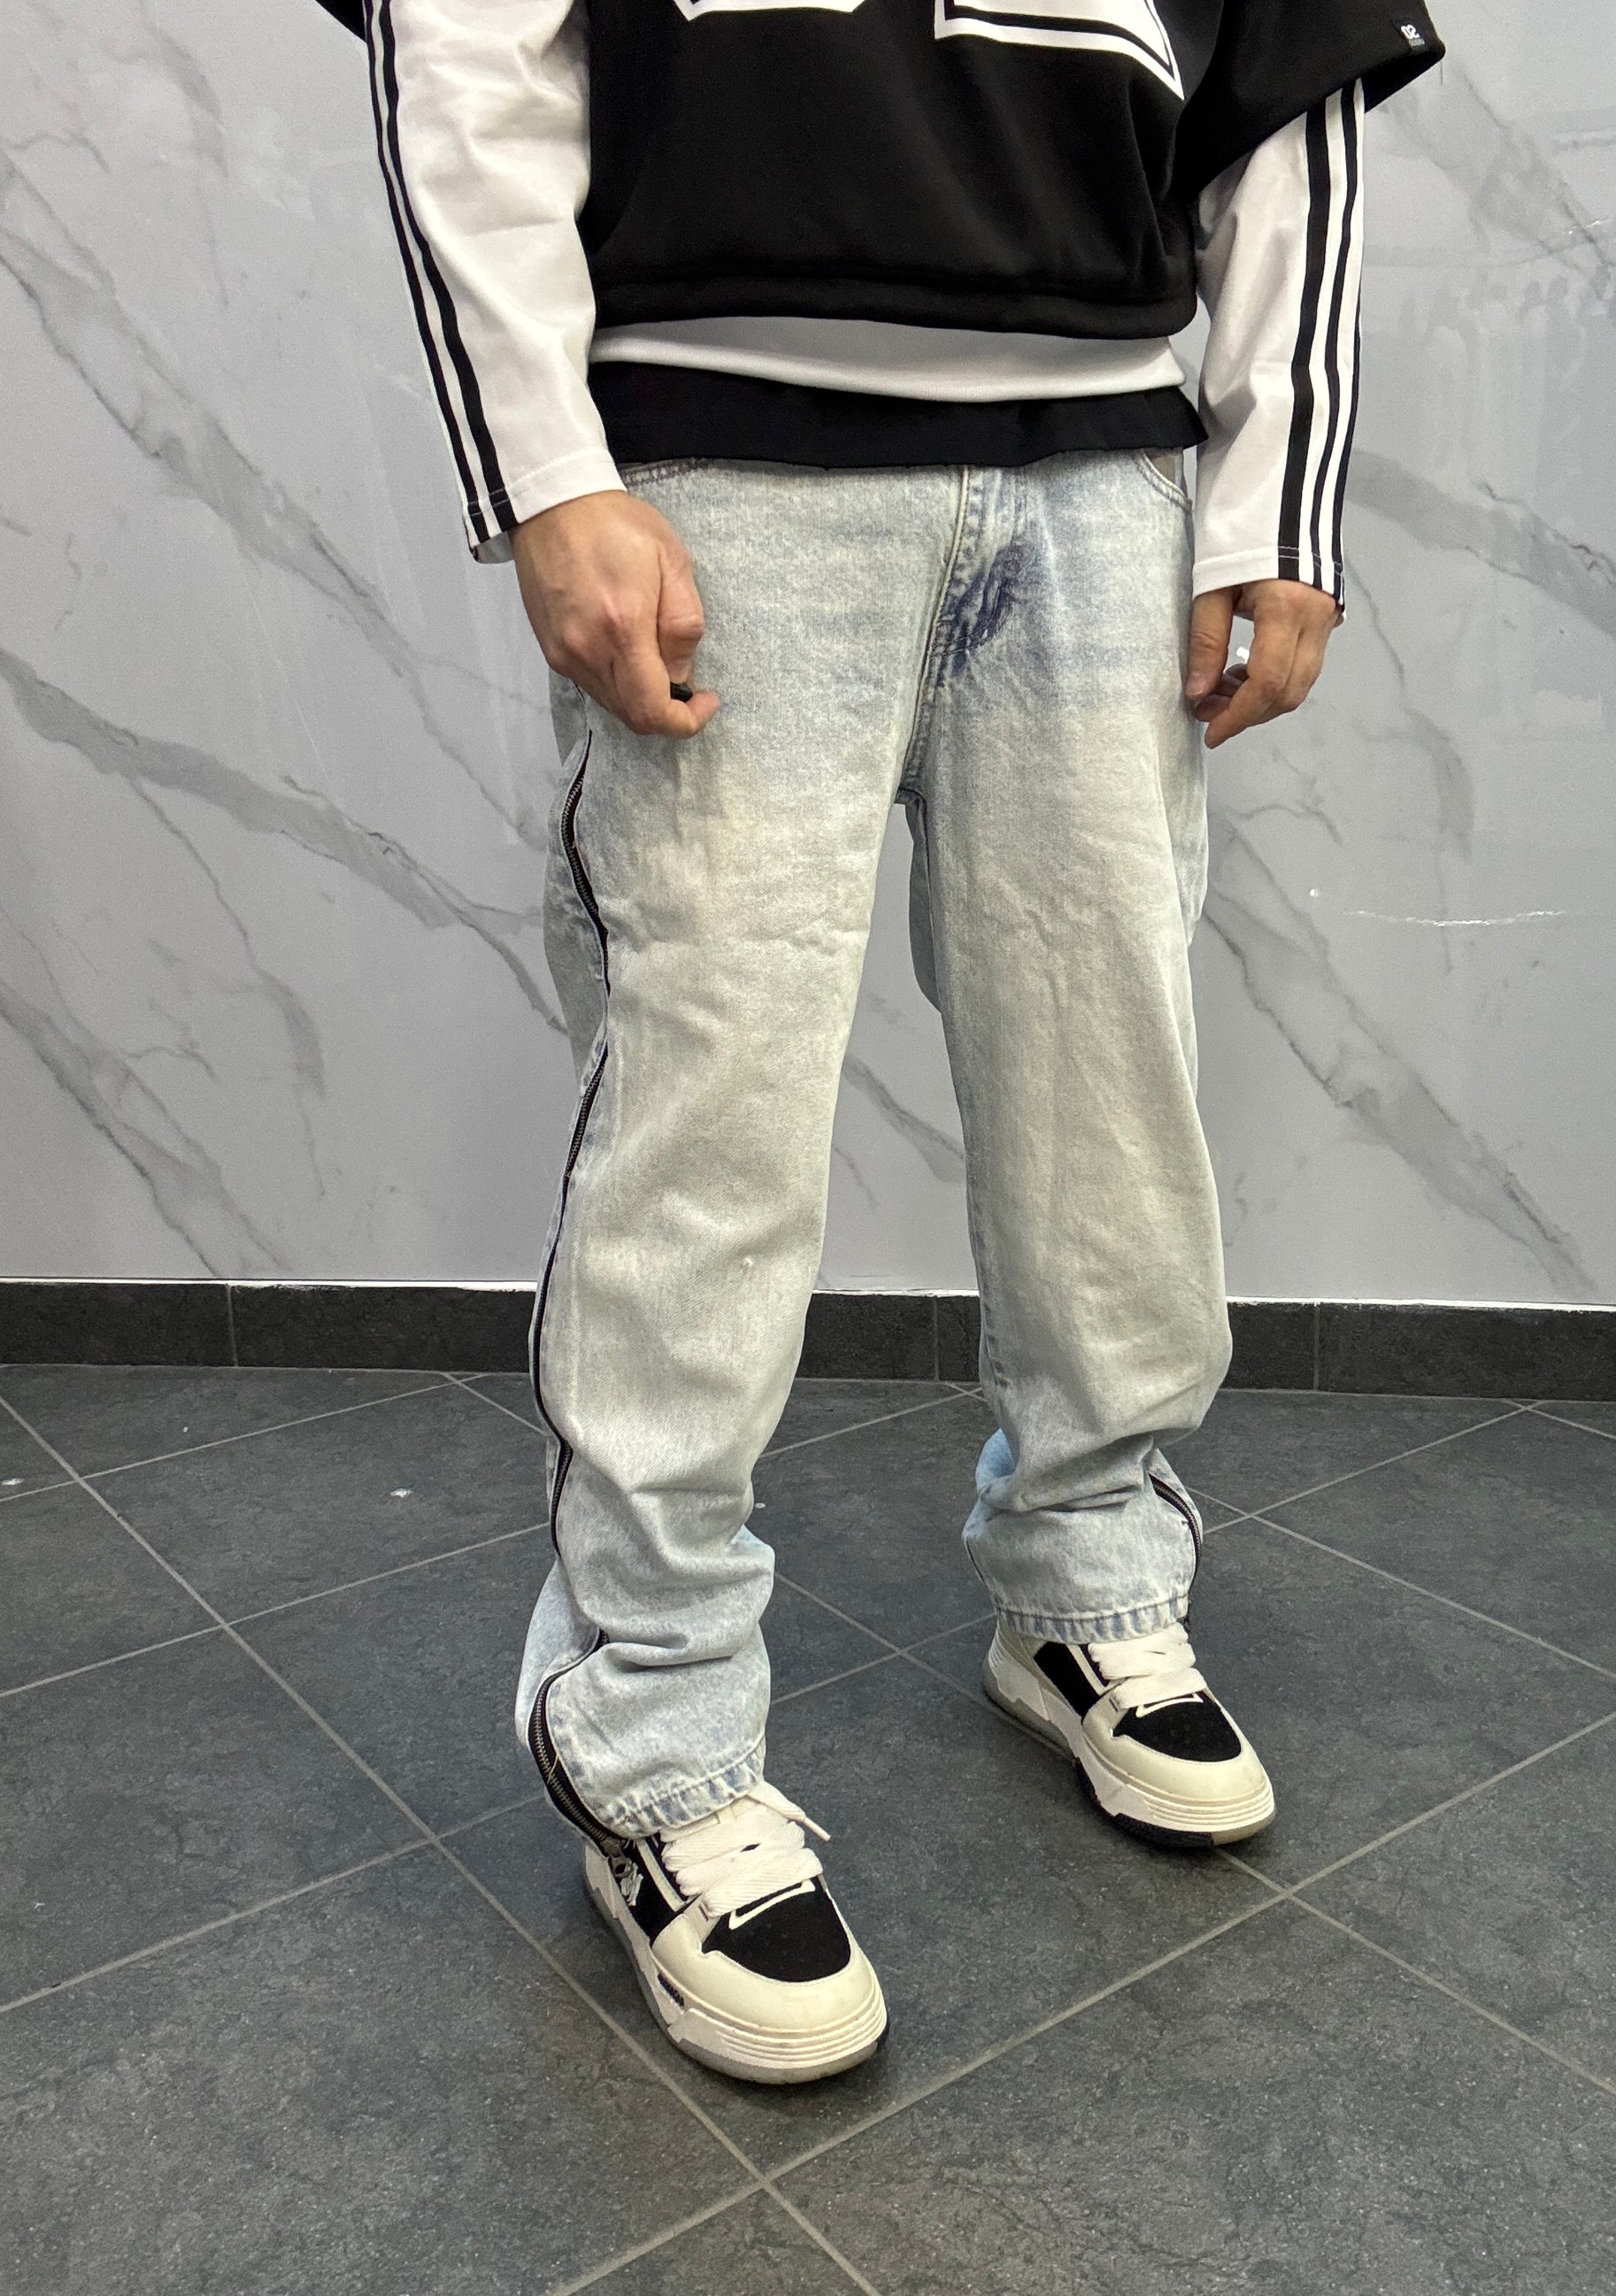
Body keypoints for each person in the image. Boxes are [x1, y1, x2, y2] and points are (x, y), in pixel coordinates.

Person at [324, 0, 1443, 2085]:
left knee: (1104, 1077)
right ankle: (649, 1725)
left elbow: (1284, 79)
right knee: (709, 1101)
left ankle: (1085, 1571)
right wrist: (548, 467)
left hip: (1105, 459)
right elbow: (464, 30)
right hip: (723, 453)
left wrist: (1276, 495)